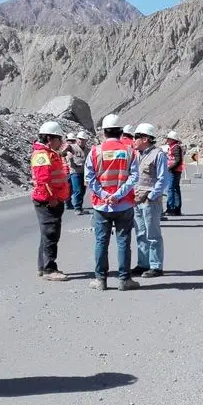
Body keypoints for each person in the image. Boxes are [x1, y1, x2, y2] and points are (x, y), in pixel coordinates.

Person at [85, 113, 139, 291]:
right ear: (121, 132)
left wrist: (103, 195)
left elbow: (90, 178)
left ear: (104, 132)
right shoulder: (129, 152)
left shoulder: (95, 151)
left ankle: (100, 280)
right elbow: (133, 177)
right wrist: (118, 195)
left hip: (101, 206)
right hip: (123, 204)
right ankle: (124, 280)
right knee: (124, 242)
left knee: (101, 242)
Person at [31, 121, 72, 282]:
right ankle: (49, 268)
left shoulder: (48, 152)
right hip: (48, 201)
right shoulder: (42, 155)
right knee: (50, 234)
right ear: (49, 138)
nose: (61, 142)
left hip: (51, 199)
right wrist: (53, 198)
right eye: (58, 139)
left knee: (47, 234)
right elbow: (44, 180)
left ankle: (43, 266)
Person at [130, 123, 170, 278]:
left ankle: (156, 265)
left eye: (136, 137)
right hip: (136, 199)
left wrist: (151, 196)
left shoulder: (158, 154)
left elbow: (163, 179)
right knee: (140, 233)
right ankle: (143, 263)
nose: (134, 140)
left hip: (150, 201)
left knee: (152, 234)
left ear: (145, 138)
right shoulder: (137, 155)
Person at [64, 131, 88, 214]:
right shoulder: (71, 147)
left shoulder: (87, 150)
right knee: (77, 190)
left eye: (83, 139)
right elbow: (62, 152)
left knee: (82, 190)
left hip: (84, 173)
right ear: (77, 139)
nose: (81, 141)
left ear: (86, 140)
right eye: (79, 139)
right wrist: (67, 152)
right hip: (75, 172)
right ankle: (77, 208)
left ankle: (80, 207)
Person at [164, 130, 185, 216]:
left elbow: (178, 160)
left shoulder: (176, 147)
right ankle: (176, 209)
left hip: (173, 170)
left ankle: (171, 208)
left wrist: (170, 168)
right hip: (175, 170)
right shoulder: (173, 146)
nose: (167, 140)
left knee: (171, 189)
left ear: (173, 139)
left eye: (169, 139)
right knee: (175, 189)